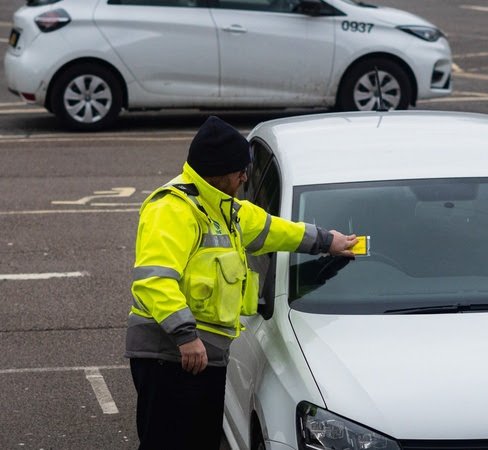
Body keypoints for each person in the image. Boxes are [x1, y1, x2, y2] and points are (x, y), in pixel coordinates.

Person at [124, 116, 357, 450]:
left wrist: (326, 241)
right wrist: (185, 336)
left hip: (205, 357)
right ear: (219, 172)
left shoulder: (226, 209)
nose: (245, 177)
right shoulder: (173, 210)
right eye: (240, 171)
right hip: (172, 356)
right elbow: (154, 281)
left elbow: (274, 230)